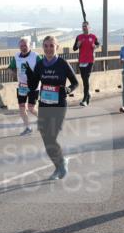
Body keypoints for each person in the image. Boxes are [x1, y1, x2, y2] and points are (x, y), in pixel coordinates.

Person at [26, 36, 79, 180]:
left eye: (51, 45)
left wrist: (68, 90)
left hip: (59, 105)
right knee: (46, 139)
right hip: (44, 105)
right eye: (46, 46)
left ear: (57, 47)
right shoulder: (40, 64)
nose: (48, 48)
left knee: (52, 137)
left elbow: (75, 83)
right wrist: (31, 101)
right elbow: (33, 86)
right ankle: (59, 166)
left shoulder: (62, 63)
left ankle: (61, 163)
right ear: (43, 47)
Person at [8, 38, 40, 135]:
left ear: (29, 46)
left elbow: (42, 68)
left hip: (33, 86)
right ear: (19, 47)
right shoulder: (17, 56)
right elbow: (10, 67)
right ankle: (28, 127)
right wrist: (11, 73)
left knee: (31, 108)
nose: (23, 48)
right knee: (22, 107)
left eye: (25, 45)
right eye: (21, 46)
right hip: (22, 86)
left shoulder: (35, 56)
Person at [73, 22, 99, 106]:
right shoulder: (79, 37)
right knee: (84, 79)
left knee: (86, 78)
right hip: (81, 61)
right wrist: (78, 45)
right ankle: (88, 94)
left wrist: (95, 46)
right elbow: (74, 48)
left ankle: (84, 99)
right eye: (83, 26)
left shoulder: (93, 37)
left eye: (85, 26)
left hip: (90, 60)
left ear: (89, 27)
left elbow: (98, 44)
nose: (84, 28)